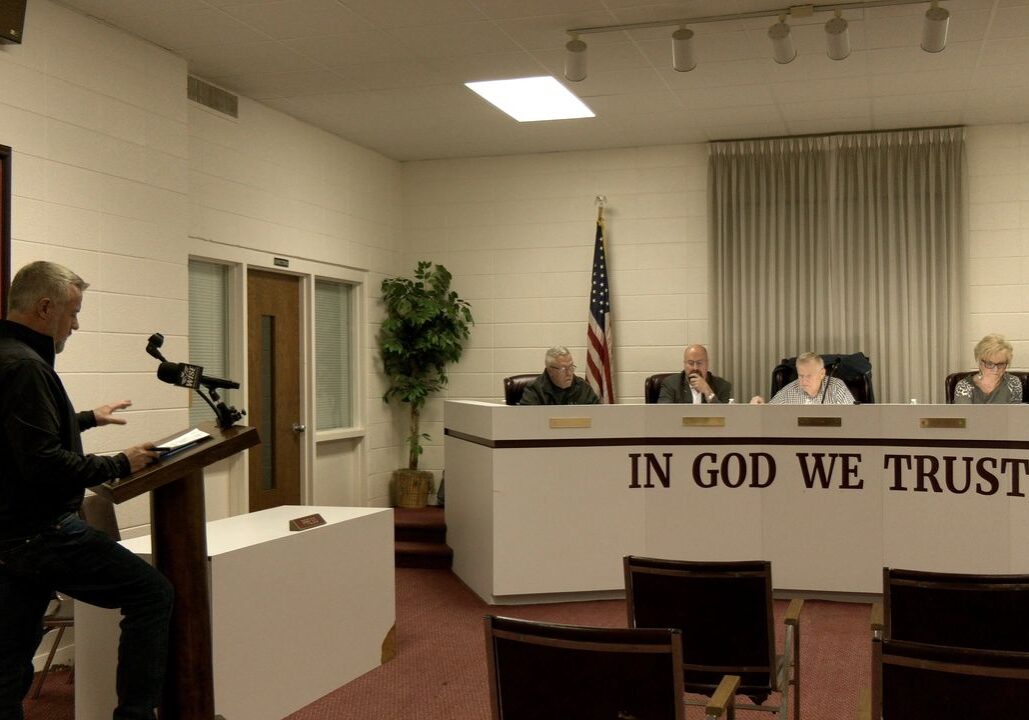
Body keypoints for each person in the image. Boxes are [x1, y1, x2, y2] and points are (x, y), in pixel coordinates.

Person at [0, 261, 172, 720]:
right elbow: (42, 462)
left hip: (10, 536)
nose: (75, 325)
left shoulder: (8, 354)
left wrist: (87, 419)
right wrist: (121, 462)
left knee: (9, 661)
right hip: (42, 532)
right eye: (73, 313)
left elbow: (21, 437)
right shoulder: (26, 367)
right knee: (152, 593)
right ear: (44, 307)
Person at [751, 352, 855, 405]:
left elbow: (854, 417)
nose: (804, 380)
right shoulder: (790, 391)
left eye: (809, 376)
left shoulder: (836, 387)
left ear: (822, 373)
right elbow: (769, 415)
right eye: (801, 375)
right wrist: (759, 408)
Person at [953, 333, 1023, 404]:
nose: (995, 369)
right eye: (990, 364)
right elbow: (965, 414)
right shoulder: (964, 386)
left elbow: (1014, 413)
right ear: (980, 362)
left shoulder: (1013, 383)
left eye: (1001, 364)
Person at [519, 346, 600, 405]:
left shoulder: (583, 387)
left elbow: (597, 416)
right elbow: (528, 421)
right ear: (550, 370)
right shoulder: (534, 389)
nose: (569, 373)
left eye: (571, 367)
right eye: (563, 369)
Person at [657, 344, 732, 404]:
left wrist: (707, 391)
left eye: (699, 363)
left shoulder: (722, 386)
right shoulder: (671, 384)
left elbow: (724, 417)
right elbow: (663, 414)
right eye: (691, 363)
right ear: (684, 364)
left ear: (707, 364)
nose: (695, 368)